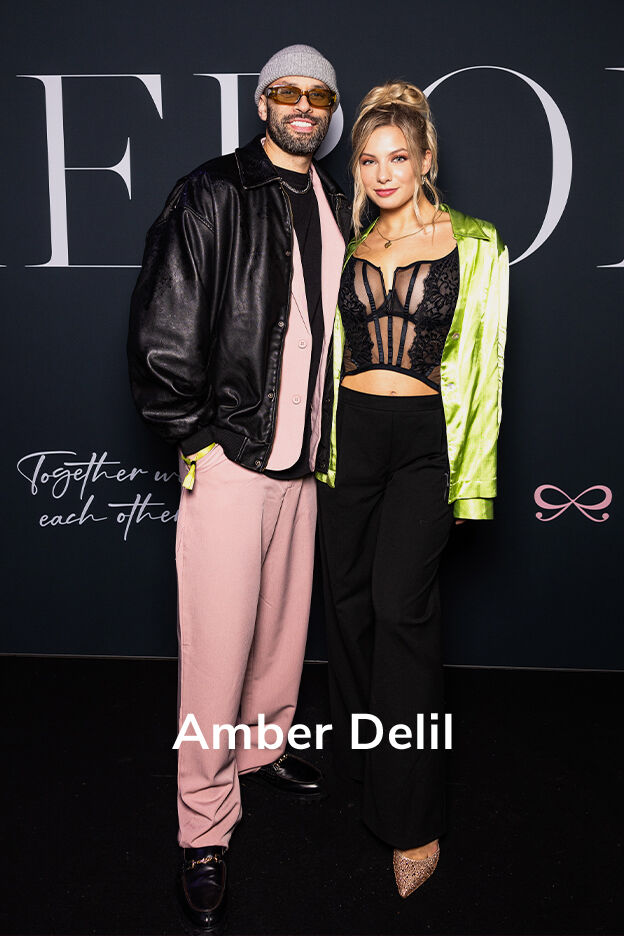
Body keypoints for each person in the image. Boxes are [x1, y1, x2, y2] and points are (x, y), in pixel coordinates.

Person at [127, 44, 350, 931]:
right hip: (230, 458)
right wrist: (196, 438)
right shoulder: (212, 192)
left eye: (318, 96)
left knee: (282, 636)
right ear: (262, 104)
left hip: (305, 463)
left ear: (329, 110)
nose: (303, 107)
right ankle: (204, 827)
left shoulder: (335, 198)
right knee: (217, 652)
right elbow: (164, 322)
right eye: (287, 92)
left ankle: (262, 751)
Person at [315, 81, 509, 898]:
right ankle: (369, 763)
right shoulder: (346, 241)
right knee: (350, 610)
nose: (384, 172)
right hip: (349, 441)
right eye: (369, 159)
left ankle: (415, 817)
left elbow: (485, 368)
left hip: (426, 444)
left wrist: (472, 485)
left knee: (402, 611)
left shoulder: (475, 242)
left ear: (427, 159)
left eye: (399, 156)